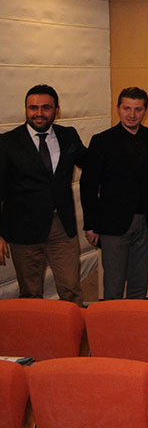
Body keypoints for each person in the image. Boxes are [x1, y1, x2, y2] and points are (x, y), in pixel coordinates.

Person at [0, 84, 87, 303]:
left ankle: (71, 326)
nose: (39, 113)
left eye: (46, 107)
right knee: (30, 294)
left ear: (57, 110)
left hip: (62, 227)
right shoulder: (7, 143)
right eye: (33, 108)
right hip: (23, 230)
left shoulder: (68, 136)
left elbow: (92, 165)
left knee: (71, 290)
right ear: (26, 109)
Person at [80, 87, 148, 300]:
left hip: (146, 222)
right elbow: (89, 186)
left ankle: (135, 321)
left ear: (145, 111)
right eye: (127, 108)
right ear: (118, 109)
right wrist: (90, 224)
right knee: (113, 286)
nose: (132, 114)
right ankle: (111, 322)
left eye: (138, 109)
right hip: (111, 225)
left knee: (139, 284)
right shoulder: (102, 141)